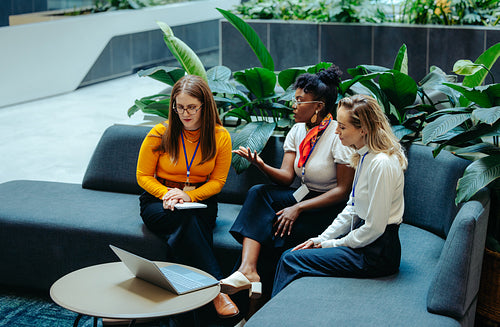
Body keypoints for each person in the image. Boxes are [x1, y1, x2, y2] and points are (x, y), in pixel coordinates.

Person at [219, 65, 355, 300]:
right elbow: (286, 177)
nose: (293, 105)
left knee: (271, 233)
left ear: (318, 106)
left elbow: (343, 192)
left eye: (300, 100)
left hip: (328, 208)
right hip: (304, 194)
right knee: (259, 193)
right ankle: (247, 270)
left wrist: (297, 208)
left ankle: (243, 299)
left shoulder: (338, 135)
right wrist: (260, 164)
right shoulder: (297, 131)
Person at [271, 94, 408, 297]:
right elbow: (352, 208)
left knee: (291, 260)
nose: (336, 131)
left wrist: (332, 244)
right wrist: (321, 239)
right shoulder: (364, 156)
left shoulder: (381, 163)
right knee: (295, 252)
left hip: (377, 253)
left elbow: (375, 228)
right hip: (366, 242)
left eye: (342, 127)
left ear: (363, 129)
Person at [136, 75, 238, 318]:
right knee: (187, 222)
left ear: (205, 106)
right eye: (179, 107)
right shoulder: (160, 133)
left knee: (189, 220)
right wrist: (168, 194)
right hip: (159, 201)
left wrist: (189, 198)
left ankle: (175, 307)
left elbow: (218, 182)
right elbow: (143, 175)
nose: (185, 113)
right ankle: (216, 290)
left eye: (192, 107)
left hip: (200, 201)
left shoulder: (219, 136)